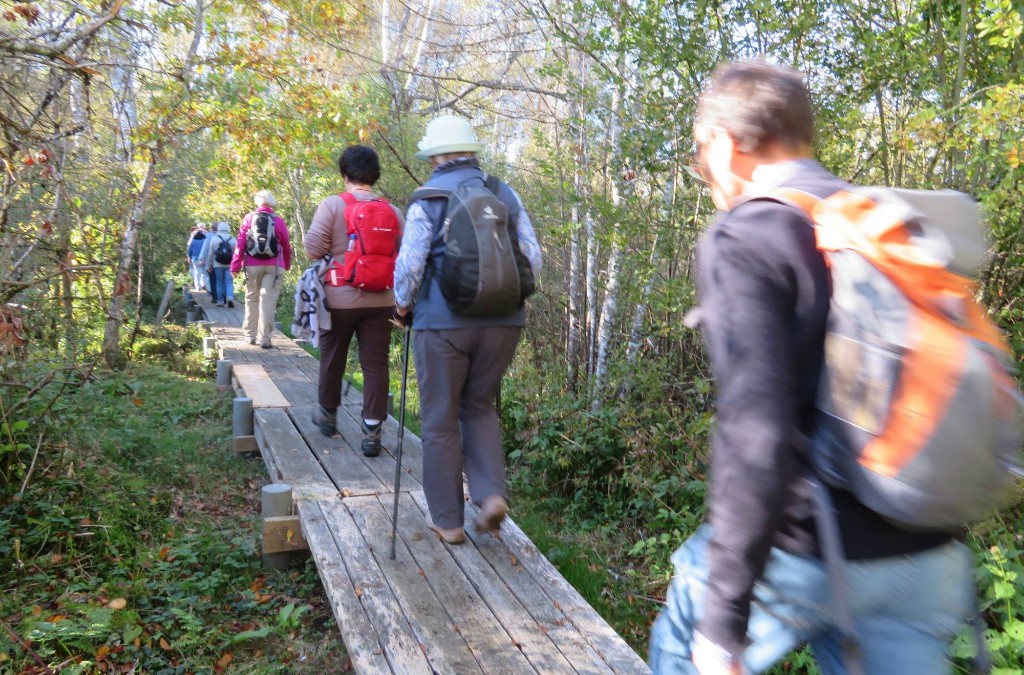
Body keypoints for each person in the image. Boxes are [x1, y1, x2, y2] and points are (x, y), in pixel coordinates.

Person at [647, 60, 972, 675]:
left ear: (722, 143)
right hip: (928, 551)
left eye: (697, 150)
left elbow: (756, 434)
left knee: (682, 644)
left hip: (807, 549)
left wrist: (722, 621)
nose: (701, 168)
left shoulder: (748, 234)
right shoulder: (883, 224)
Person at [394, 115, 542, 545]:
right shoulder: (503, 193)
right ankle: (491, 495)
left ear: (436, 156)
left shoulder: (428, 198)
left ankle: (448, 521)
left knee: (440, 421)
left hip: (442, 327)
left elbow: (409, 267)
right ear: (472, 152)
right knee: (479, 407)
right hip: (504, 323)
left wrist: (402, 308)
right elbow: (533, 259)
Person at [304, 145, 404, 453]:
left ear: (345, 174)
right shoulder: (394, 212)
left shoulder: (333, 205)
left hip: (339, 299)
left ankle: (327, 416)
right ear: (375, 175)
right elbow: (402, 256)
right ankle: (372, 431)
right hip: (381, 300)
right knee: (376, 365)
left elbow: (312, 249)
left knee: (333, 356)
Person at [230, 190, 292, 348]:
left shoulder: (249, 218)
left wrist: (235, 266)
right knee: (268, 301)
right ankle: (265, 338)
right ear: (272, 202)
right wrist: (287, 264)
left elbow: (241, 244)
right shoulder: (278, 220)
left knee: (252, 298)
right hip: (275, 266)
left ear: (257, 202)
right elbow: (286, 245)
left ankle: (250, 336)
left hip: (252, 265)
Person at [205, 221, 237, 308]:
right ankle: (230, 297)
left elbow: (210, 253)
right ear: (228, 228)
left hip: (217, 264)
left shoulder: (215, 238)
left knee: (219, 282)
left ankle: (220, 301)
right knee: (229, 282)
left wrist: (209, 265)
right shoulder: (233, 239)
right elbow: (236, 253)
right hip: (230, 264)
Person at [186, 223, 207, 291]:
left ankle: (197, 287)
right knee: (204, 273)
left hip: (195, 259)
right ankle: (204, 285)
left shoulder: (193, 241)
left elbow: (189, 250)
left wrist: (189, 257)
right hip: (204, 259)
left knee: (197, 272)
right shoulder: (205, 240)